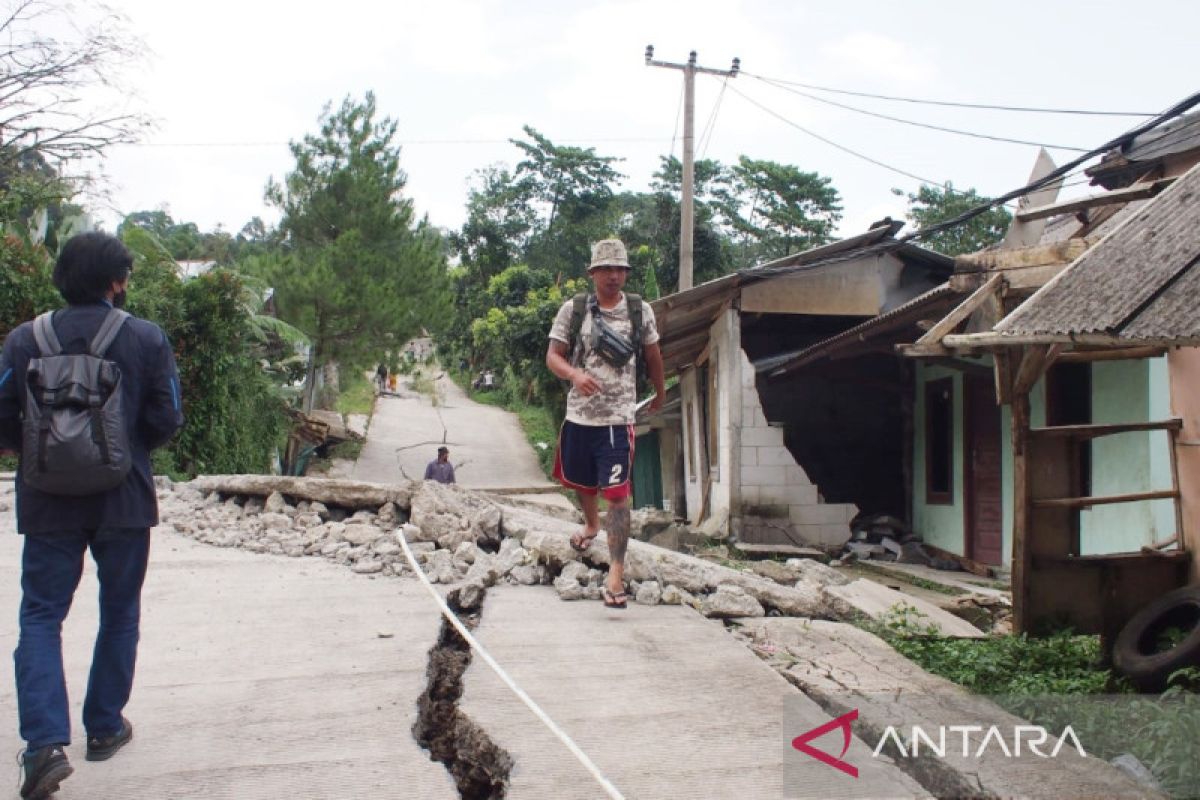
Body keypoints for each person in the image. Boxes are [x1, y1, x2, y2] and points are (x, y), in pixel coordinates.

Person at [0, 232, 184, 799]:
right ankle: (103, 727)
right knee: (119, 611)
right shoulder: (146, 338)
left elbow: (3, 419)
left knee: (40, 617)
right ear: (116, 281)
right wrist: (127, 449)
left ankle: (43, 746)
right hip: (124, 500)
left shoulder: (24, 340)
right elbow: (167, 417)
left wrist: (39, 456)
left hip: (48, 499)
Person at [545, 238, 665, 609]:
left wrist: (660, 392)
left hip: (617, 418)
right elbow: (553, 355)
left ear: (626, 272)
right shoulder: (574, 309)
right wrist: (574, 375)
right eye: (607, 269)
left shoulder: (638, 310)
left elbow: (653, 354)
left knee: (617, 495)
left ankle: (615, 573)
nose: (614, 276)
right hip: (580, 416)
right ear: (593, 273)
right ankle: (591, 526)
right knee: (581, 482)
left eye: (620, 269)